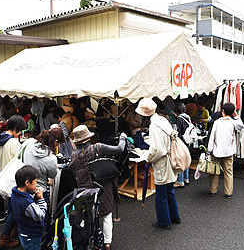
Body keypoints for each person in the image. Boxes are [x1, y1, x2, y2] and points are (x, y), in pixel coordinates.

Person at [69, 125, 126, 250]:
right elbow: (119, 149)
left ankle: (93, 241)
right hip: (101, 187)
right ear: (87, 139)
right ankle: (107, 243)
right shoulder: (97, 148)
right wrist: (123, 137)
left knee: (89, 216)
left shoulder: (74, 156)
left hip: (84, 190)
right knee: (106, 215)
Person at [135, 98, 180, 230]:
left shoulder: (154, 126)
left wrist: (148, 157)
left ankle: (164, 222)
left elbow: (156, 150)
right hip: (170, 157)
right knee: (170, 190)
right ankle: (175, 216)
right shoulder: (162, 119)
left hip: (162, 162)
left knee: (161, 195)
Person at [0, 115, 27, 249]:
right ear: (15, 128)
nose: (20, 133)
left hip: (4, 176)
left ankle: (14, 231)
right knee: (14, 210)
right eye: (20, 130)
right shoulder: (14, 143)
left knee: (12, 207)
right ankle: (4, 237)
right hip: (14, 179)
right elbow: (21, 160)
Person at [207, 103, 244, 198]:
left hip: (217, 151)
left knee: (215, 171)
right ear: (233, 112)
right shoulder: (233, 122)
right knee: (229, 172)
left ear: (223, 111)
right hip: (229, 151)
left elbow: (212, 137)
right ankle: (228, 193)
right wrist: (236, 117)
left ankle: (213, 191)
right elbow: (241, 126)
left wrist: (209, 150)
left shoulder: (217, 122)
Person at [11, 165, 47, 250]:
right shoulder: (26, 203)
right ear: (27, 183)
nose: (36, 185)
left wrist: (34, 195)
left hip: (23, 231)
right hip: (32, 235)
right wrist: (41, 199)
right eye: (35, 182)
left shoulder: (15, 193)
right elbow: (40, 215)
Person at [22, 127, 64, 194]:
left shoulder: (29, 144)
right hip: (39, 191)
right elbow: (53, 175)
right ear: (56, 142)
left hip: (24, 186)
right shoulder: (51, 159)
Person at [173, 102, 190, 187]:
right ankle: (186, 178)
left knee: (180, 161)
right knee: (186, 160)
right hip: (187, 140)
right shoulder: (187, 116)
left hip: (182, 141)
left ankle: (180, 181)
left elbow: (178, 130)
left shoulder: (179, 118)